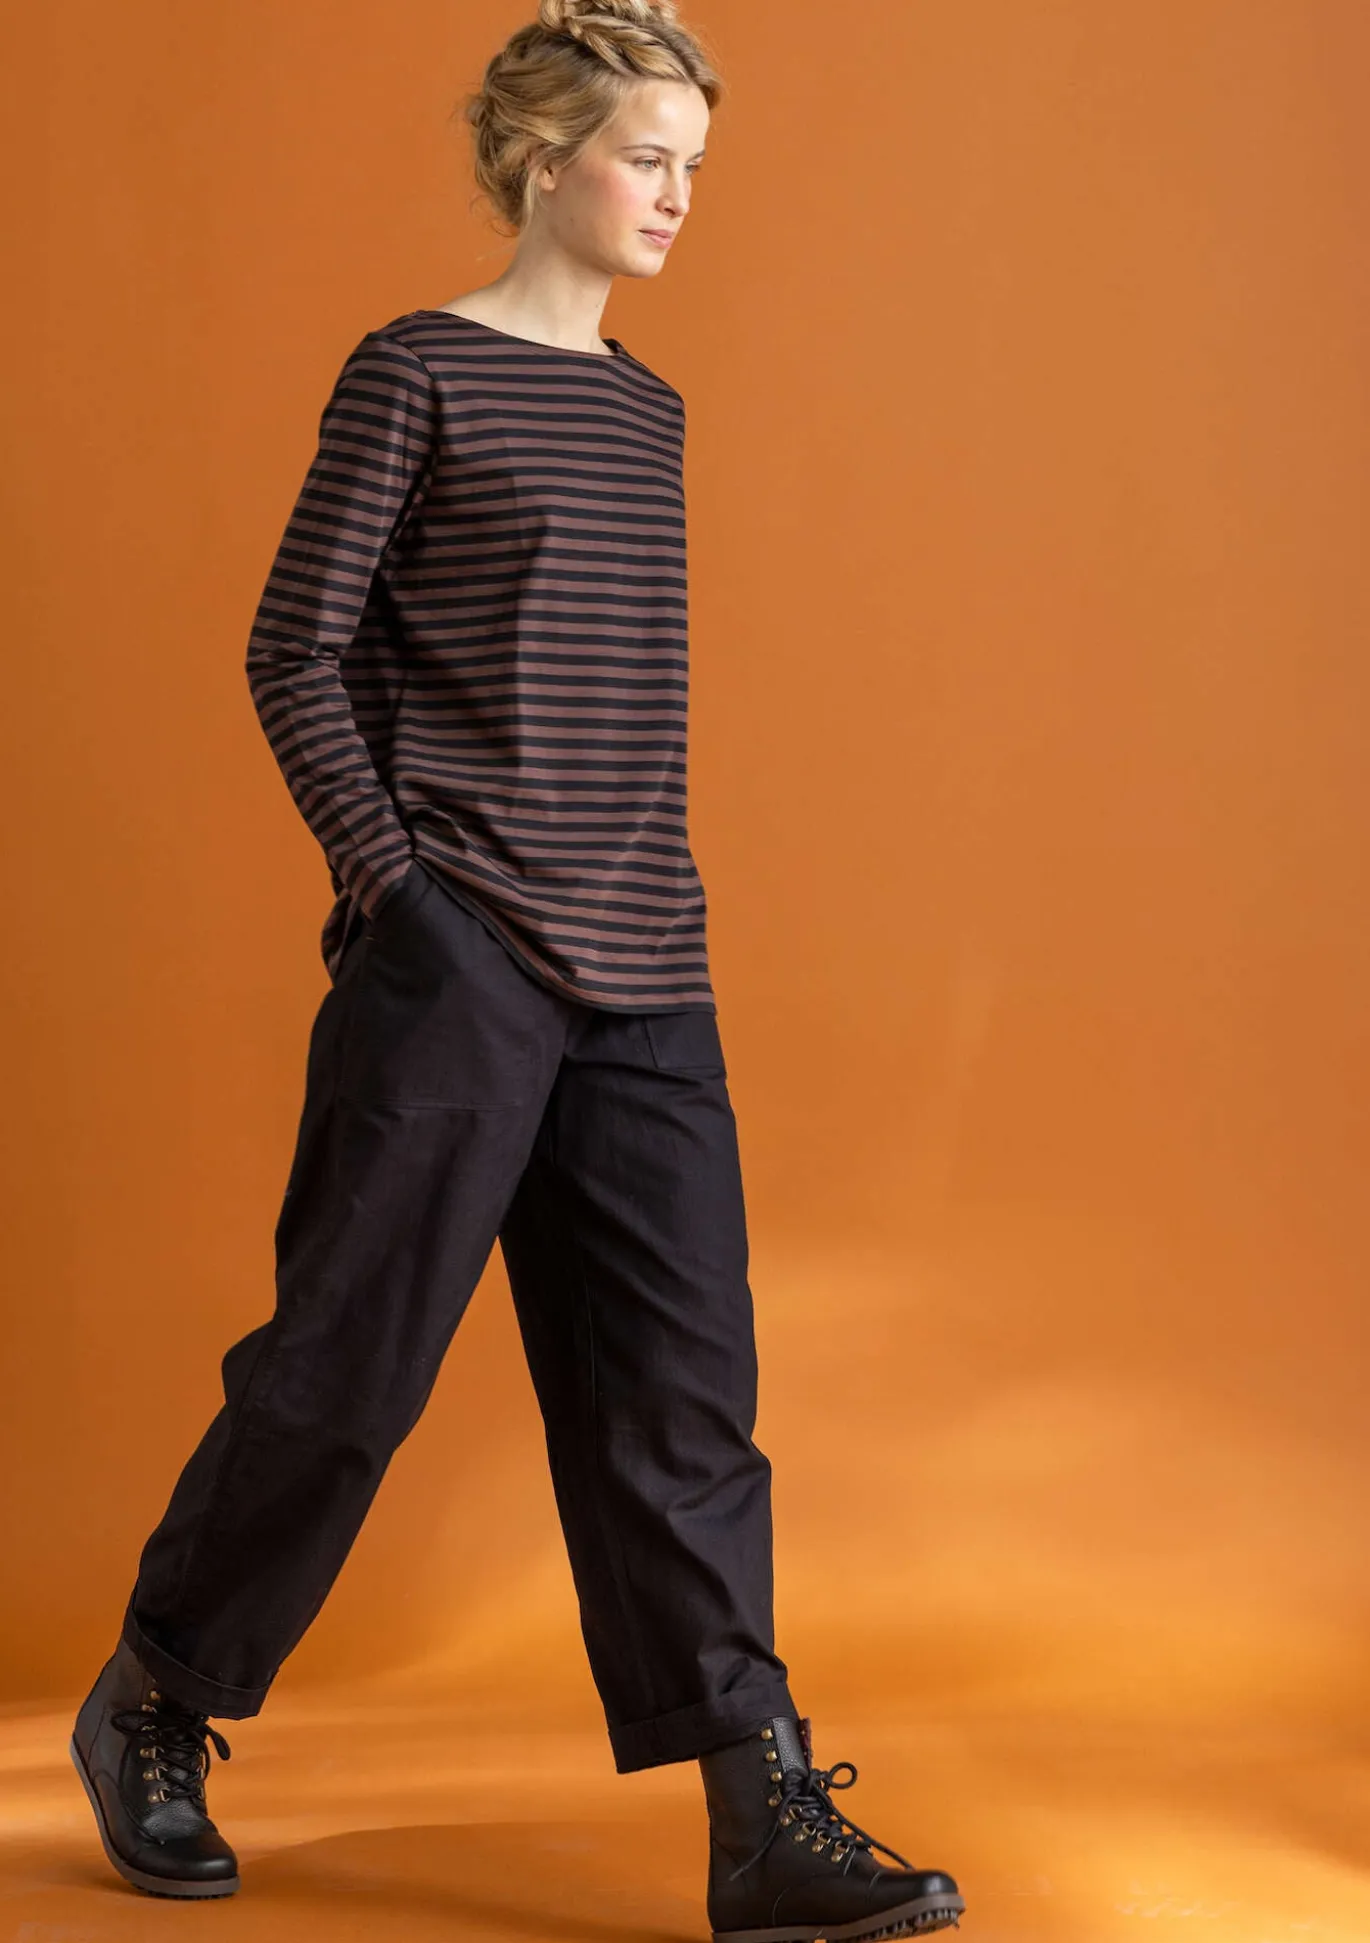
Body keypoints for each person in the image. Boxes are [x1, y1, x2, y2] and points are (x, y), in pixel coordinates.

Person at [67, 3, 966, 1937]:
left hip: (647, 964)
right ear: (545, 161)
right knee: (344, 1370)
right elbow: (294, 647)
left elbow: (616, 709)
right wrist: (397, 887)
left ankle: (758, 1815)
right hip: (458, 953)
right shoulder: (416, 372)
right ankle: (154, 1695)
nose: (678, 196)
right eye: (647, 157)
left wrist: (641, 903)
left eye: (694, 167)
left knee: (682, 1404)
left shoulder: (647, 411)